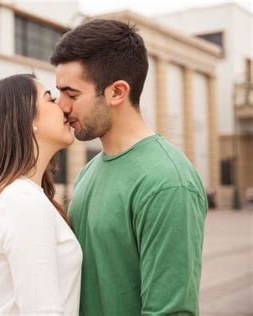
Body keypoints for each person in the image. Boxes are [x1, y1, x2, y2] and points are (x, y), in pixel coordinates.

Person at [50, 19, 208, 315]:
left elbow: (170, 310)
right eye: (59, 93)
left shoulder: (167, 182)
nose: (62, 106)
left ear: (117, 92)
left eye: (72, 94)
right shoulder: (90, 171)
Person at [0, 74, 82, 315]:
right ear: (26, 120)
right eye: (50, 99)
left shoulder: (19, 197)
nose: (64, 107)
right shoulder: (22, 202)